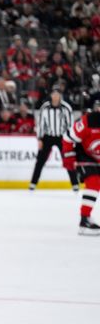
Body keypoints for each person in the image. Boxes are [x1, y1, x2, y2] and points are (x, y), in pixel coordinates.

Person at [61, 100, 100, 235]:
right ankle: (84, 221)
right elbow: (67, 137)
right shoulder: (88, 121)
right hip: (85, 155)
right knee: (94, 183)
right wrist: (69, 157)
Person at [32, 87, 78, 191]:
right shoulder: (45, 107)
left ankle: (75, 184)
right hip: (47, 137)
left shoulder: (66, 108)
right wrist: (39, 138)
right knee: (40, 161)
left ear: (60, 96)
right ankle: (33, 184)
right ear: (51, 95)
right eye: (54, 94)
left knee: (68, 160)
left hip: (62, 137)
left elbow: (70, 125)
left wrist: (70, 140)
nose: (56, 96)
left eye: (58, 94)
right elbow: (40, 124)